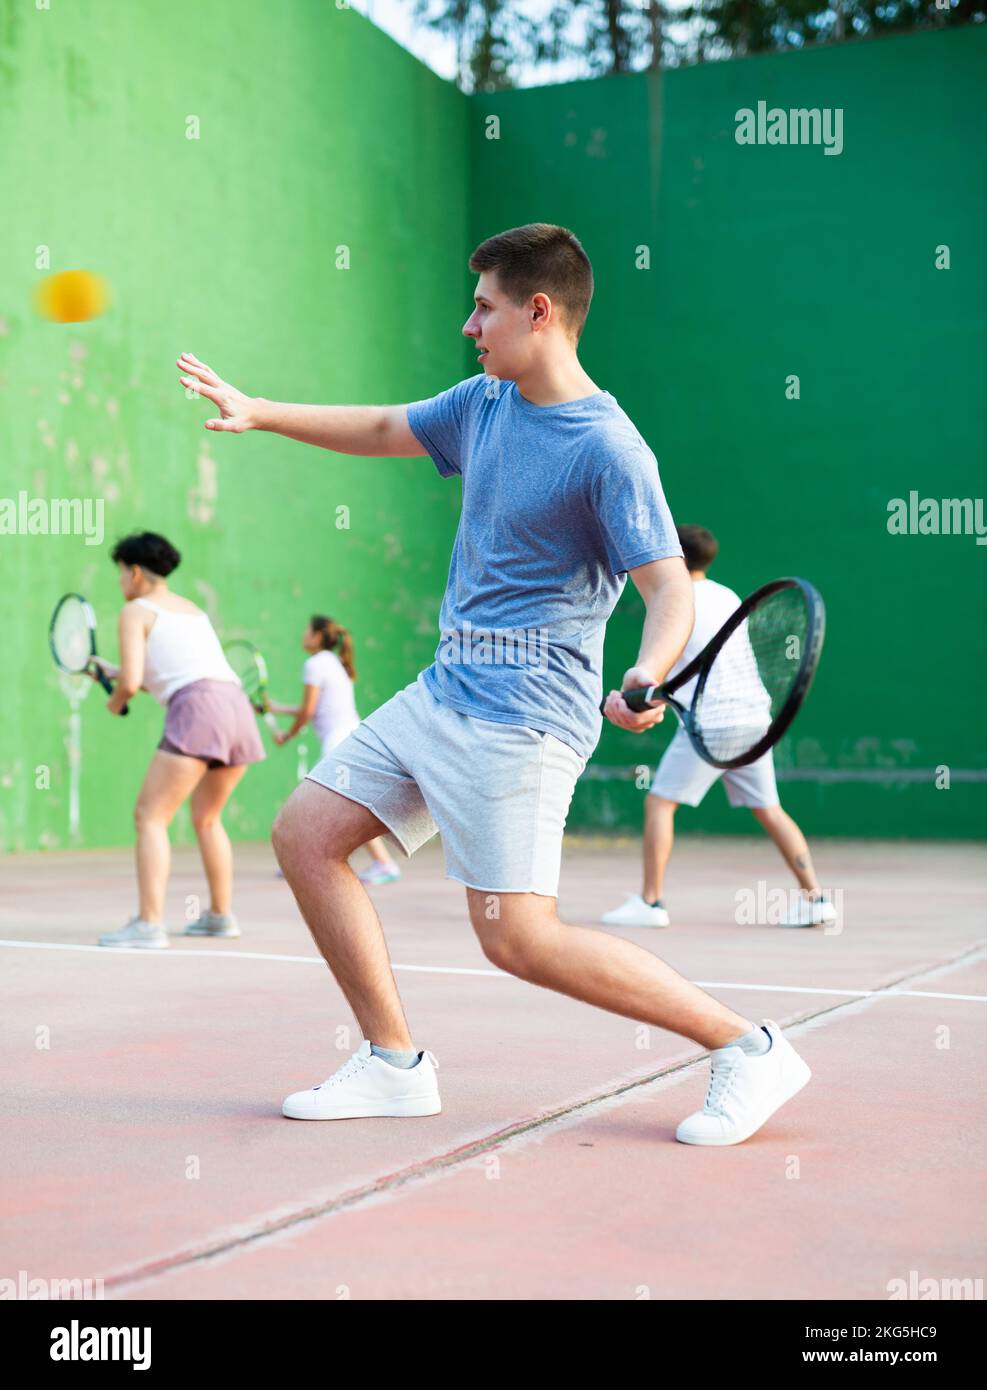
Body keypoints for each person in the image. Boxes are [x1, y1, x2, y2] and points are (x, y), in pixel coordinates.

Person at [176, 222, 812, 1146]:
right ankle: (393, 1067)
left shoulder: (609, 450)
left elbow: (667, 587)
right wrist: (261, 409)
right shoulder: (483, 404)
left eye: (484, 307)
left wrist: (647, 670)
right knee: (306, 834)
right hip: (443, 692)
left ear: (538, 311)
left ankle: (746, 1047)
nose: (469, 325)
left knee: (517, 940)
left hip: (525, 723)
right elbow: (391, 425)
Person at [602, 525, 836, 931]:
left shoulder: (672, 601)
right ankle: (815, 897)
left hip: (711, 722)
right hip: (754, 720)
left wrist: (626, 702)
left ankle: (651, 903)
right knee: (769, 809)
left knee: (659, 802)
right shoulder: (726, 595)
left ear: (673, 555)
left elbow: (658, 673)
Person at [94, 531, 264, 949]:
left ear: (134, 573)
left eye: (120, 574)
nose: (121, 584)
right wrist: (114, 673)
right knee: (207, 818)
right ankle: (220, 916)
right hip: (235, 707)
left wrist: (116, 700)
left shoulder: (135, 611)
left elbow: (135, 684)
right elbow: (170, 677)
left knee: (149, 816)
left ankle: (149, 924)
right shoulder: (191, 611)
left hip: (199, 708)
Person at [268, 615, 401, 884]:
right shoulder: (333, 664)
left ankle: (382, 863)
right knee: (342, 803)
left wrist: (288, 735)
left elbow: (308, 711)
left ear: (317, 636)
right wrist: (278, 709)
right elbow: (317, 709)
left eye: (307, 631)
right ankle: (379, 862)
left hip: (339, 741)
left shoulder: (315, 664)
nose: (303, 635)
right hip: (352, 737)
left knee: (313, 802)